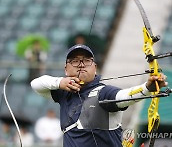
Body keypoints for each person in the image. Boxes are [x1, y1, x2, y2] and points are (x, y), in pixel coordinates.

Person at [31, 44, 168, 147]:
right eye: (74, 61)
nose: (81, 65)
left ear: (95, 67)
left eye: (86, 60)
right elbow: (36, 84)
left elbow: (123, 97)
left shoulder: (104, 92)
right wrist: (59, 82)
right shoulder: (64, 93)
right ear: (66, 69)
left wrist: (147, 88)